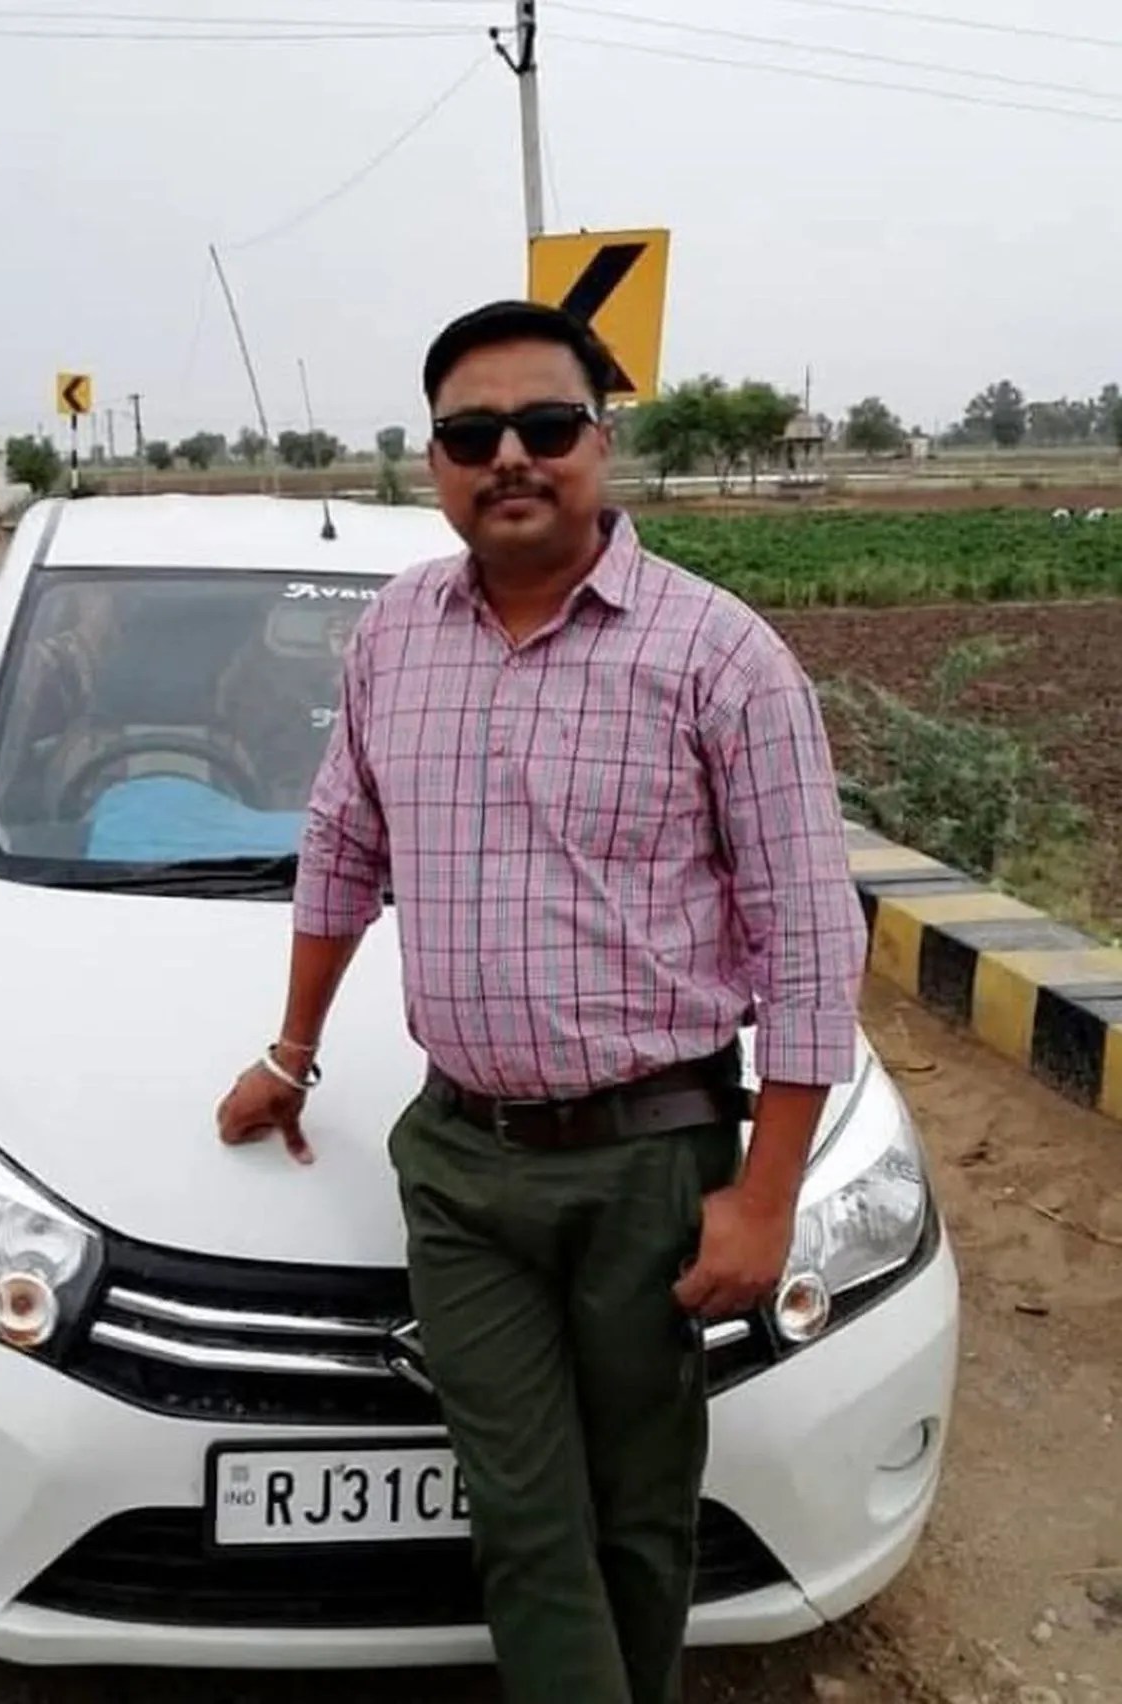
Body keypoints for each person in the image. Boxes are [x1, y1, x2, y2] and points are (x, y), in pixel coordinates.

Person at [216, 300, 867, 1704]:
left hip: (651, 1162)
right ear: (434, 461)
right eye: (471, 434)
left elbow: (811, 936)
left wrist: (765, 1196)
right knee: (523, 1511)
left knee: (638, 1510)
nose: (509, 456)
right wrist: (291, 1053)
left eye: (545, 425)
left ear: (600, 442)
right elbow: (342, 846)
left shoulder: (721, 657)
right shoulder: (395, 636)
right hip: (461, 1163)